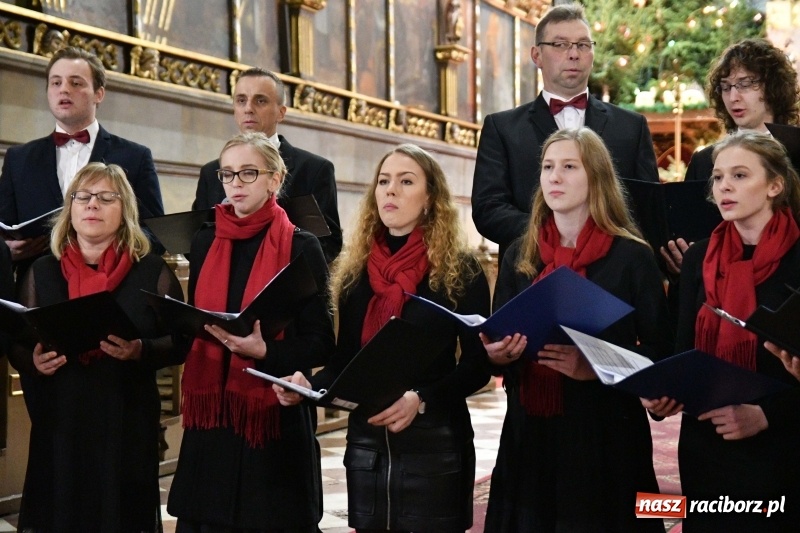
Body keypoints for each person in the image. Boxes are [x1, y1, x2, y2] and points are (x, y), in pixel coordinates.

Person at [275, 143, 492, 532]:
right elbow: (345, 361)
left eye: (406, 182)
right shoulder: (354, 272)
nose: (391, 190)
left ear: (430, 198)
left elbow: (478, 367)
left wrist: (420, 399)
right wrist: (308, 385)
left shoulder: (460, 271)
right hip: (368, 448)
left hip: (434, 446)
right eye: (384, 181)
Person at [482, 128, 671, 532]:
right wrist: (498, 356)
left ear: (596, 178)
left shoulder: (631, 256)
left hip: (605, 430)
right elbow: (500, 339)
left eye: (569, 167)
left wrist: (595, 367)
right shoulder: (520, 253)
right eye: (548, 167)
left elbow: (661, 351)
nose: (554, 177)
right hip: (531, 430)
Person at [167, 132, 335, 532]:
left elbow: (322, 342)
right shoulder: (205, 240)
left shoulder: (301, 245)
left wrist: (266, 352)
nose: (235, 183)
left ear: (275, 179)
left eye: (248, 173)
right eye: (227, 174)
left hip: (271, 416)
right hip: (213, 420)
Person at [6, 162, 186, 532]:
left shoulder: (151, 271)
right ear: (69, 209)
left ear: (125, 211)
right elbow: (18, 342)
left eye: (106, 198)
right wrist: (34, 361)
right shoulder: (42, 271)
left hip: (126, 416)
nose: (92, 205)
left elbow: (181, 341)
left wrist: (140, 349)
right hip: (62, 418)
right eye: (83, 197)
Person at [647, 132, 800, 532]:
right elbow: (682, 350)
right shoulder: (698, 258)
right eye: (717, 177)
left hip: (782, 445)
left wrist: (766, 416)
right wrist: (662, 393)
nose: (724, 186)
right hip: (706, 443)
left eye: (740, 175)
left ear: (775, 185)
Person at [471, 2, 659, 262]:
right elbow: (488, 209)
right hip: (532, 268)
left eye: (583, 45)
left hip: (614, 269)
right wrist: (554, 234)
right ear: (536, 55)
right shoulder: (502, 128)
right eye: (560, 44)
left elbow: (649, 207)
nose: (573, 54)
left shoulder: (631, 127)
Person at [0, 46, 165, 272]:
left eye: (76, 83)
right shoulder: (18, 159)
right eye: (56, 83)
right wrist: (7, 251)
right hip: (38, 283)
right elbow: (4, 228)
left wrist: (109, 249)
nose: (64, 89)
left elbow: (157, 235)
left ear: (99, 94)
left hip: (111, 282)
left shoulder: (135, 157)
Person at [662, 38, 800, 272]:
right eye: (725, 87)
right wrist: (685, 264)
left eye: (745, 84)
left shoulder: (796, 150)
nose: (733, 96)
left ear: (773, 87)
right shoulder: (705, 161)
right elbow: (692, 233)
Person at [192, 67, 342, 263]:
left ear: (281, 112)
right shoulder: (211, 172)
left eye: (260, 101)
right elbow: (193, 242)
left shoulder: (314, 169)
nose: (248, 108)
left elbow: (329, 244)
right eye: (241, 100)